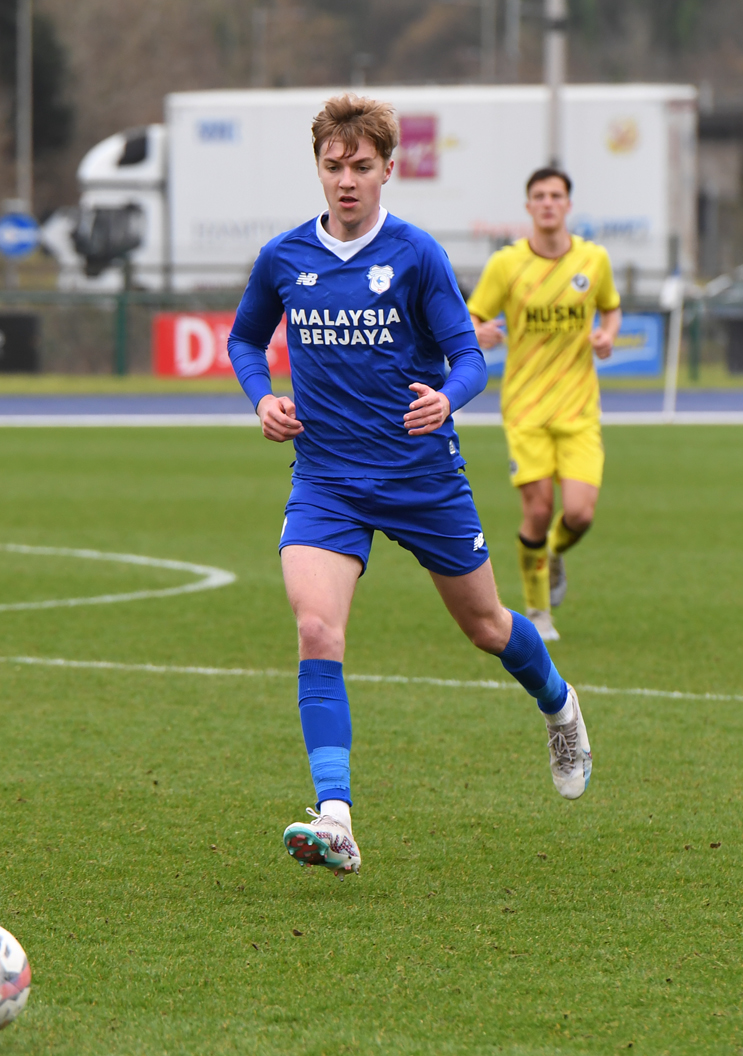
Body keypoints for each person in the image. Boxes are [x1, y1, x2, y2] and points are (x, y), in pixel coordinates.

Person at [226, 94, 593, 879]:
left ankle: (559, 703)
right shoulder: (285, 258)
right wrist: (262, 396)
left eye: (362, 166)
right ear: (318, 169)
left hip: (422, 479)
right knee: (316, 632)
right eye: (334, 166)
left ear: (389, 169)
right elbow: (245, 336)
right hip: (326, 480)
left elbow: (469, 356)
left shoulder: (417, 255)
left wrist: (446, 398)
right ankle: (336, 816)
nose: (347, 180)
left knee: (488, 626)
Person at [465, 169, 622, 641]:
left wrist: (607, 335)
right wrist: (479, 332)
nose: (548, 203)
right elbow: (470, 318)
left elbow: (611, 306)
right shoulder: (506, 265)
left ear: (569, 205)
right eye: (539, 196)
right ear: (529, 207)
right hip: (525, 408)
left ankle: (550, 555)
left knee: (580, 513)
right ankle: (537, 612)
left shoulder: (594, 260)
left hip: (578, 408)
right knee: (536, 510)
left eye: (556, 195)